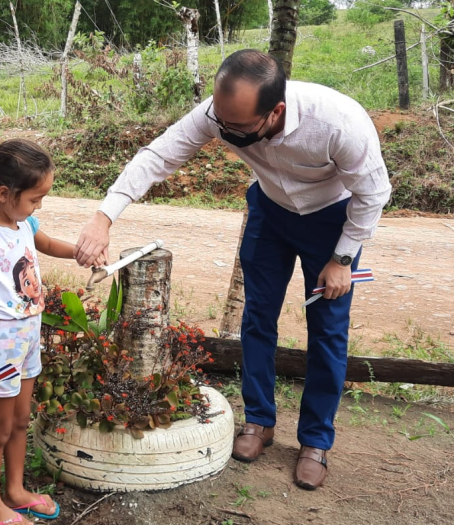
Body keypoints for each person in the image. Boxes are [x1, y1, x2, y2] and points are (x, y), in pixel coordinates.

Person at [75, 49, 391, 491]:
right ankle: (258, 422)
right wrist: (103, 216)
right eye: (220, 122)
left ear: (275, 111)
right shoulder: (221, 114)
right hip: (270, 213)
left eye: (237, 128)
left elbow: (373, 194)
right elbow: (159, 155)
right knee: (257, 319)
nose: (224, 131)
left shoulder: (338, 123)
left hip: (332, 222)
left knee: (328, 330)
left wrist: (342, 259)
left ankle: (316, 441)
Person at [0, 139, 85, 525]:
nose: (38, 207)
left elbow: (43, 243)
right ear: (4, 193)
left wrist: (79, 251)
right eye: (35, 198)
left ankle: (15, 491)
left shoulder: (22, 222)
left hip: (28, 336)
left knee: (20, 420)